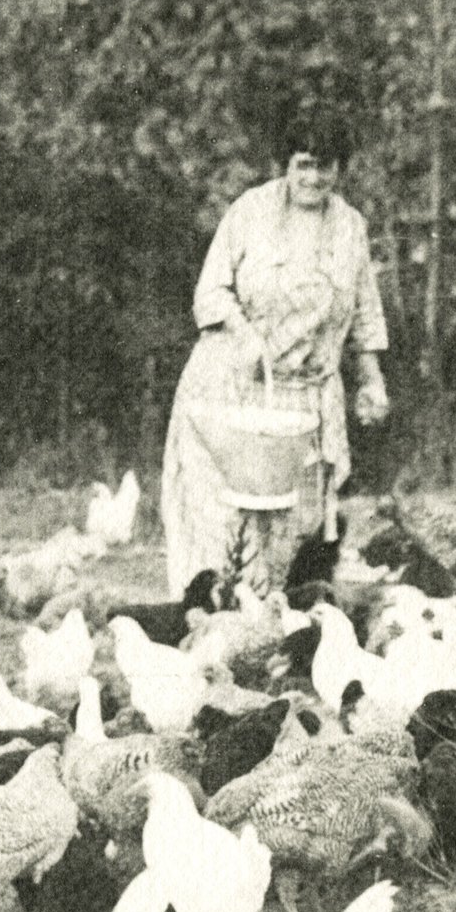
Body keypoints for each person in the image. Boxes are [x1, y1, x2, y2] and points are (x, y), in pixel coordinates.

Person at [160, 115, 390, 596]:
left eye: (324, 167)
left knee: (293, 523)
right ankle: (210, 618)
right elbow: (211, 291)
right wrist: (244, 334)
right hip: (232, 389)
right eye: (303, 165)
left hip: (304, 398)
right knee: (223, 518)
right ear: (286, 164)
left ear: (339, 169)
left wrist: (372, 379)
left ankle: (275, 623)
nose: (313, 178)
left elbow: (366, 312)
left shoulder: (350, 228)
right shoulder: (249, 212)